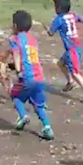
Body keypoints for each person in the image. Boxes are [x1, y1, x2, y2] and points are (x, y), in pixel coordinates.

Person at [5, 10, 53, 140]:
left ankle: (23, 115)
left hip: (27, 76)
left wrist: (18, 70)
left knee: (15, 96)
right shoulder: (33, 40)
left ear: (15, 26)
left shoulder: (14, 40)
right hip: (39, 76)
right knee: (38, 105)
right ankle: (47, 128)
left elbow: (17, 55)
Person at [43, 0, 83, 102]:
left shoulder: (58, 19)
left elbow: (50, 33)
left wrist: (45, 27)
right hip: (76, 47)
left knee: (75, 72)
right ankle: (70, 82)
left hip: (71, 49)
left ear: (57, 7)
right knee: (61, 63)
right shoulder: (73, 15)